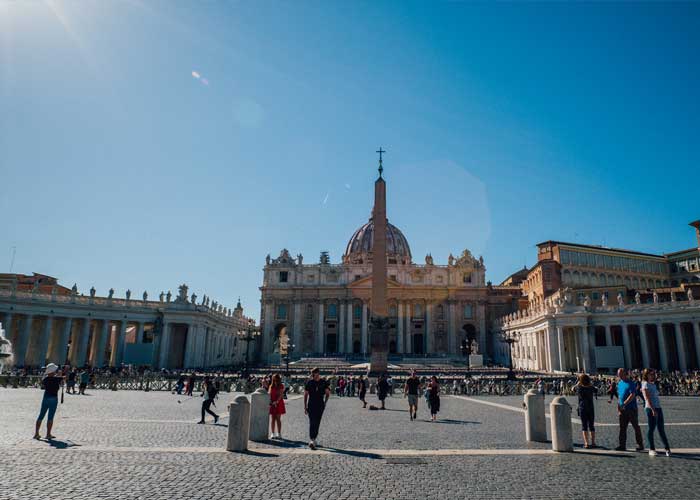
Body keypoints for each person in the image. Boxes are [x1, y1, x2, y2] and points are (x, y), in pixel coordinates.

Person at [641, 369, 671, 457]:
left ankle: (667, 448)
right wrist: (653, 409)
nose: (653, 375)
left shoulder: (653, 384)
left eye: (654, 374)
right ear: (646, 375)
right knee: (651, 429)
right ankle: (651, 449)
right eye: (651, 374)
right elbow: (647, 398)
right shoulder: (645, 384)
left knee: (661, 429)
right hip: (651, 409)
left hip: (658, 407)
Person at [615, 368, 644, 452]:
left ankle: (640, 444)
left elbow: (632, 395)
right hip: (622, 409)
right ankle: (622, 445)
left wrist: (624, 403)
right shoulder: (619, 383)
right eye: (618, 374)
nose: (619, 375)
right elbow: (619, 396)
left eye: (620, 373)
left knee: (636, 426)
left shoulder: (631, 383)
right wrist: (619, 407)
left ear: (625, 373)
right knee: (622, 428)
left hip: (631, 409)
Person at [34, 363, 63, 440]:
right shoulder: (57, 379)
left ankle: (36, 433)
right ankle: (48, 434)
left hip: (46, 397)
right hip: (53, 398)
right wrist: (60, 374)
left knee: (41, 415)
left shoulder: (45, 379)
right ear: (53, 371)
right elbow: (63, 379)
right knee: (50, 417)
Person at [304, 367, 330, 450]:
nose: (313, 376)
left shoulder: (323, 382)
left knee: (317, 422)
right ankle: (312, 439)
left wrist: (325, 403)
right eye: (312, 374)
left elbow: (328, 393)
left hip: (320, 404)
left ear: (318, 373)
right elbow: (305, 394)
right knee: (312, 422)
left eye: (314, 374)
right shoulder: (310, 382)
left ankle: (314, 438)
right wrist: (305, 406)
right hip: (311, 404)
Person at [573, 373, 598, 448]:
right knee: (591, 426)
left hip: (582, 408)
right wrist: (590, 384)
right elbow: (596, 390)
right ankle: (593, 442)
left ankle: (586, 443)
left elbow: (572, 389)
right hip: (590, 408)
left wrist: (578, 383)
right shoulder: (591, 388)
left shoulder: (579, 388)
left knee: (584, 426)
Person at [269, 373, 286, 439]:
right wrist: (271, 401)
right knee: (273, 419)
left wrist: (276, 401)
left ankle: (279, 433)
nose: (275, 380)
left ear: (278, 379)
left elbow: (281, 395)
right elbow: (269, 394)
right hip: (272, 403)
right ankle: (273, 433)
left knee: (278, 419)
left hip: (278, 403)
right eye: (273, 379)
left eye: (276, 379)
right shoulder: (271, 386)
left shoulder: (281, 385)